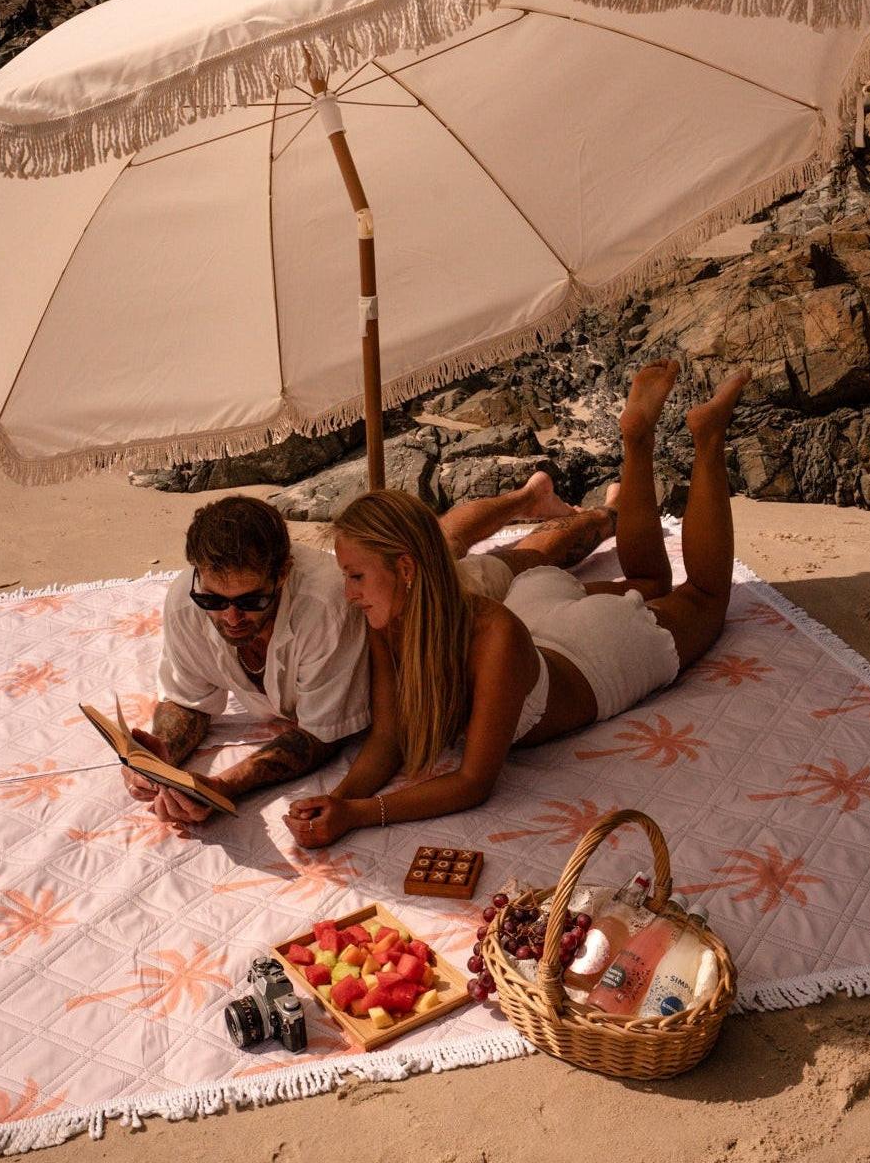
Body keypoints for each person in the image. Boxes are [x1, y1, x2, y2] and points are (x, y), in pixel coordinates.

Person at [283, 360, 751, 849]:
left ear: (404, 569)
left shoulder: (490, 632)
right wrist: (337, 800)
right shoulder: (392, 621)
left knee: (703, 596)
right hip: (535, 611)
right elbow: (388, 739)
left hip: (594, 652)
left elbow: (473, 783)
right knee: (647, 579)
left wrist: (359, 814)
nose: (348, 591)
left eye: (356, 576)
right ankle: (636, 437)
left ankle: (708, 437)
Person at [123, 473, 617, 823]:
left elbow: (318, 736)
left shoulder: (330, 604)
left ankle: (604, 513)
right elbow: (186, 699)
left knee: (519, 559)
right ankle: (530, 493)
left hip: (412, 597)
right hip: (385, 578)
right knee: (446, 532)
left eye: (250, 601)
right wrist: (164, 757)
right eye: (214, 599)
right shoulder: (187, 601)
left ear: (284, 573)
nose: (229, 616)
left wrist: (226, 785)